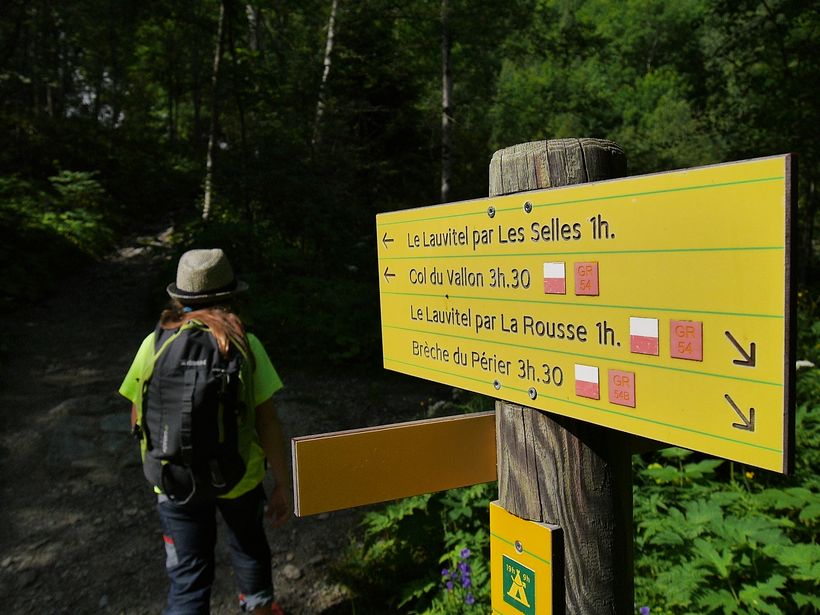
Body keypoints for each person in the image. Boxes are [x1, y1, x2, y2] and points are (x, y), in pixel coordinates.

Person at [119, 248, 290, 614]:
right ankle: (258, 606)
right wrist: (284, 483)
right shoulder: (246, 344)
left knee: (188, 578)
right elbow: (267, 421)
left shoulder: (154, 344)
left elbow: (137, 415)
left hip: (173, 480)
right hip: (239, 476)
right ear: (231, 296)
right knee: (249, 550)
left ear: (179, 299)